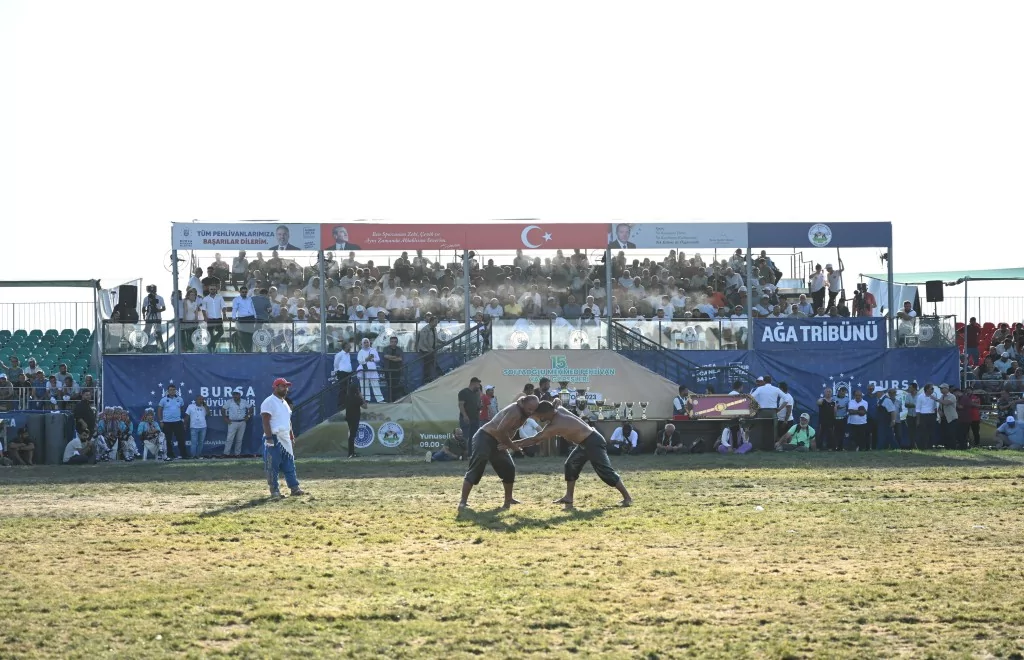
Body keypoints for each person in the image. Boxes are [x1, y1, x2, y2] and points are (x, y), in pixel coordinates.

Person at [516, 401, 633, 508]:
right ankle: (569, 497)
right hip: (585, 442)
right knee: (570, 464)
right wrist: (556, 400)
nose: (540, 418)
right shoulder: (559, 409)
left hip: (592, 441)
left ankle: (627, 498)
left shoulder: (555, 425)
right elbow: (557, 403)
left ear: (548, 412)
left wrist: (512, 444)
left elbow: (535, 440)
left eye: (541, 415)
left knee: (605, 471)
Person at [458, 395, 541, 511]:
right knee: (477, 466)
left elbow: (508, 431)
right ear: (523, 403)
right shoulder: (515, 411)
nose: (531, 412)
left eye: (534, 410)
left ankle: (508, 500)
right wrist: (513, 446)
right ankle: (463, 502)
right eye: (529, 409)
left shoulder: (525, 411)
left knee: (509, 468)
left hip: (499, 441)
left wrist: (507, 444)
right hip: (485, 437)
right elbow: (500, 430)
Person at [261, 377, 305, 498]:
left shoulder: (285, 402)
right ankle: (274, 491)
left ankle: (294, 488)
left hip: (285, 438)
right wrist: (269, 438)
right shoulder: (269, 401)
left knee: (289, 464)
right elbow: (265, 421)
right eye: (283, 386)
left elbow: (288, 420)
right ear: (275, 387)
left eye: (286, 386)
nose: (286, 389)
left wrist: (291, 435)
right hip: (274, 437)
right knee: (272, 466)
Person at [222, 391, 251, 457]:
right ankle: (226, 454)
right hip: (232, 422)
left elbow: (251, 408)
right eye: (234, 395)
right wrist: (225, 418)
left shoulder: (244, 401)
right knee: (229, 439)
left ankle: (237, 454)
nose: (235, 396)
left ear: (239, 395)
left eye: (236, 395)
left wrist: (248, 416)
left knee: (239, 439)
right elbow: (223, 409)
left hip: (242, 422)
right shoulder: (229, 402)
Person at [458, 377, 483, 452]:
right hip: (466, 418)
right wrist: (465, 416)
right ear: (474, 383)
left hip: (475, 418)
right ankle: (463, 454)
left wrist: (480, 405)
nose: (479, 386)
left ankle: (470, 453)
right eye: (478, 384)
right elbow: (461, 405)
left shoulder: (476, 394)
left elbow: (478, 406)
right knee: (465, 437)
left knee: (474, 437)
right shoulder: (463, 392)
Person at [344, 379, 368, 458]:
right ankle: (351, 453)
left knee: (351, 435)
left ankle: (352, 453)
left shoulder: (347, 396)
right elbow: (365, 407)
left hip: (349, 417)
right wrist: (361, 397)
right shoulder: (356, 398)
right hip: (354, 418)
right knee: (352, 435)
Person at [356, 337, 384, 402]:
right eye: (364, 342)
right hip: (363, 370)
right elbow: (360, 361)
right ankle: (366, 399)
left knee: (375, 384)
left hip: (372, 369)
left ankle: (380, 400)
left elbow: (378, 359)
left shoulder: (373, 350)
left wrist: (372, 359)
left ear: (369, 343)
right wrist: (366, 359)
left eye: (367, 342)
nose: (366, 344)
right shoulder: (361, 351)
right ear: (362, 344)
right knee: (364, 385)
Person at [380, 335, 404, 402]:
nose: (393, 343)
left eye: (395, 342)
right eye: (392, 341)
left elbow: (400, 359)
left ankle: (395, 400)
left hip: (397, 370)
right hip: (388, 370)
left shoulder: (399, 349)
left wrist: (390, 358)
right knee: (389, 386)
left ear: (397, 342)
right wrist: (395, 357)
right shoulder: (386, 348)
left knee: (396, 386)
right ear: (390, 342)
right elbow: (385, 356)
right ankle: (390, 400)